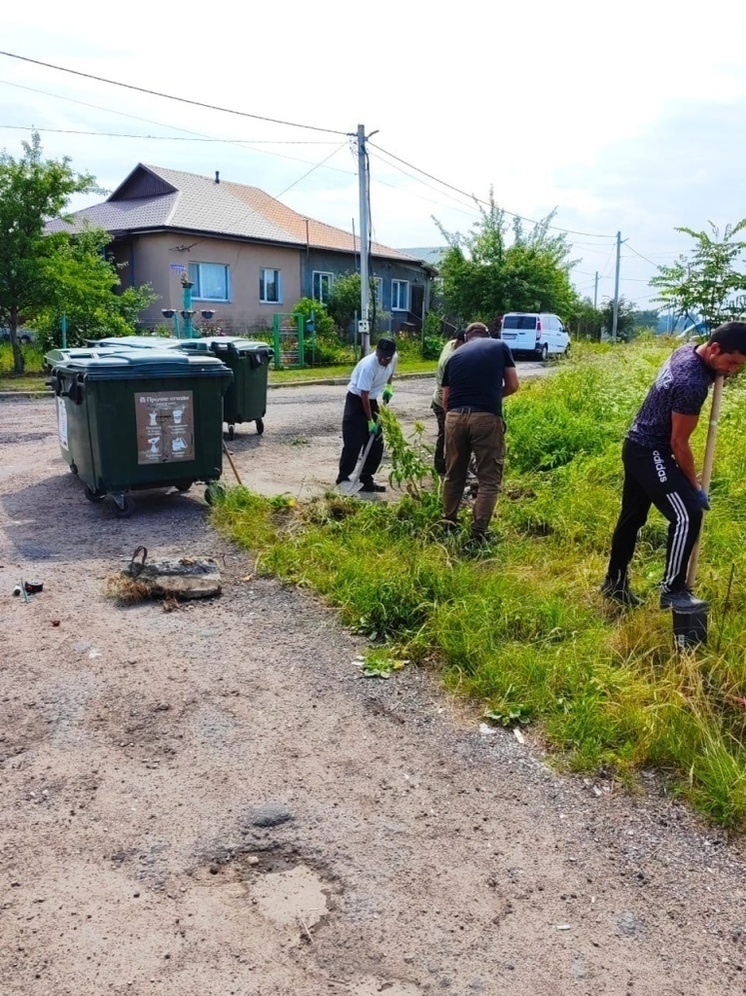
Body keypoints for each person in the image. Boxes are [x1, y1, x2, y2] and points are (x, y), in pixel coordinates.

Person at [601, 321, 746, 611]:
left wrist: (717, 370)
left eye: (739, 368)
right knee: (688, 513)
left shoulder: (686, 350)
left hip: (635, 443)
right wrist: (695, 487)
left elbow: (703, 371)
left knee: (632, 518)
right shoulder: (691, 384)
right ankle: (673, 590)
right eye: (731, 363)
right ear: (715, 349)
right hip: (651, 449)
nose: (732, 371)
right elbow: (679, 443)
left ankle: (614, 583)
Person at [441, 321, 519, 540]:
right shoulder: (499, 346)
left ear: (466, 338)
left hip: (454, 418)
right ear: (487, 334)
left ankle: (448, 523)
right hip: (485, 418)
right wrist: (490, 396)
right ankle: (478, 534)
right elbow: (513, 385)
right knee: (488, 479)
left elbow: (446, 400)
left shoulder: (453, 357)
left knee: (454, 475)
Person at [336, 336, 398, 493]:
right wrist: (370, 421)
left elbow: (391, 371)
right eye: (380, 356)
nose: (383, 359)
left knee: (376, 443)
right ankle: (343, 478)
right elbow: (364, 394)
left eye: (386, 357)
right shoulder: (369, 366)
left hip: (371, 401)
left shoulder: (393, 358)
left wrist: (388, 387)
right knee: (354, 442)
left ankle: (366, 478)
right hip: (356, 401)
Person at [431, 328, 466, 476]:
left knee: (446, 434)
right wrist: (450, 412)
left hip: (440, 397)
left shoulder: (451, 343)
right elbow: (448, 391)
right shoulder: (451, 360)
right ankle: (442, 466)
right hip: (442, 401)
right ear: (459, 342)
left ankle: (444, 464)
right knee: (447, 434)